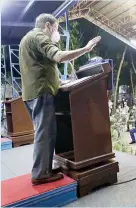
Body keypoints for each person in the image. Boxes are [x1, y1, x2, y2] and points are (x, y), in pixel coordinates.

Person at [19, 14, 100, 185]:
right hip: (41, 92)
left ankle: (44, 168)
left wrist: (58, 81)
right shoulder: (39, 36)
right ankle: (40, 173)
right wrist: (85, 49)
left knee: (44, 132)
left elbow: (39, 67)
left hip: (31, 92)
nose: (56, 32)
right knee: (45, 133)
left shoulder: (27, 39)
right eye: (56, 28)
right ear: (48, 26)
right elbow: (58, 56)